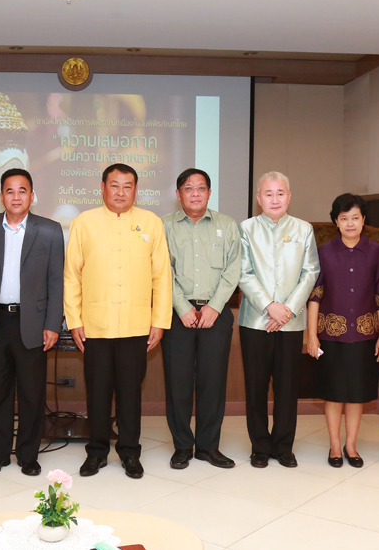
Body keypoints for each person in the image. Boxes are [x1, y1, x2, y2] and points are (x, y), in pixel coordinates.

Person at [65, 163, 172, 479]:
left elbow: (162, 277)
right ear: (102, 187)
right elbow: (72, 276)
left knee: (130, 394)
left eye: (128, 186)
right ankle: (96, 453)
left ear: (136, 190)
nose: (121, 192)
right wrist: (74, 319)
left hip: (137, 325)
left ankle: (129, 453)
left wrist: (159, 322)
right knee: (97, 394)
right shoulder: (84, 223)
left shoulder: (150, 222)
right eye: (114, 185)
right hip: (95, 324)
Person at [0, 168, 64, 477]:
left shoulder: (49, 230)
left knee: (33, 394)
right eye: (10, 191)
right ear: (1, 196)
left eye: (23, 190)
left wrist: (52, 324)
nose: (16, 196)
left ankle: (28, 455)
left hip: (33, 323)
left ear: (32, 196)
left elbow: (55, 282)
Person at [238, 172, 319, 469]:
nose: (275, 199)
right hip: (255, 322)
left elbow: (310, 272)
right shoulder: (245, 229)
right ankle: (259, 446)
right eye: (268, 193)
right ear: (258, 198)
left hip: (291, 323)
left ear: (289, 196)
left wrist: (287, 309)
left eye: (280, 193)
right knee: (256, 388)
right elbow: (243, 272)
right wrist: (269, 306)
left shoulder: (304, 229)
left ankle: (284, 446)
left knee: (287, 388)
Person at [161, 168, 241, 470]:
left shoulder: (227, 225)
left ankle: (208, 446)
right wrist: (182, 307)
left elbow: (233, 270)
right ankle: (182, 446)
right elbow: (161, 270)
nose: (195, 193)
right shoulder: (164, 226)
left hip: (216, 314)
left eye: (201, 188)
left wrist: (214, 306)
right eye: (188, 188)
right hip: (176, 314)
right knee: (178, 384)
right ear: (178, 193)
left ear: (209, 192)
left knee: (213, 383)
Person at [306, 193, 379, 469]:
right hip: (331, 334)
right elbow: (315, 295)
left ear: (364, 220)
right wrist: (312, 334)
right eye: (344, 218)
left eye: (355, 218)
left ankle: (351, 444)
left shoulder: (376, 251)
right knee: (333, 394)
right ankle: (333, 445)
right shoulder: (324, 251)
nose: (350, 223)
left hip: (365, 334)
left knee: (356, 394)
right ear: (335, 222)